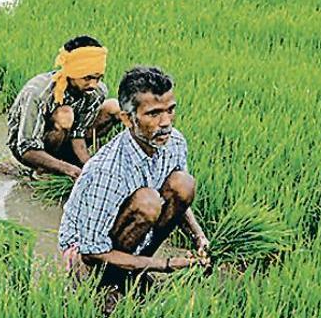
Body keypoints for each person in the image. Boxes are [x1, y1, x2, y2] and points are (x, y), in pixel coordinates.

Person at [58, 66, 210, 295]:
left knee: (183, 183)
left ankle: (134, 270)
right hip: (86, 253)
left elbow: (178, 200)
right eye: (154, 114)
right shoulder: (107, 170)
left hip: (129, 229)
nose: (166, 122)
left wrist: (199, 237)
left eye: (170, 110)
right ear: (128, 119)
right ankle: (106, 283)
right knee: (148, 201)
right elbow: (91, 250)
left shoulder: (175, 142)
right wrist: (166, 265)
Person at [6, 35, 120, 179]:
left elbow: (78, 134)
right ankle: (42, 169)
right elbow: (26, 148)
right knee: (65, 115)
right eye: (87, 78)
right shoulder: (37, 93)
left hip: (65, 141)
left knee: (113, 107)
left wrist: (89, 167)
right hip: (29, 150)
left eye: (98, 78)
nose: (93, 84)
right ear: (73, 73)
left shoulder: (96, 91)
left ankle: (66, 162)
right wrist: (66, 169)